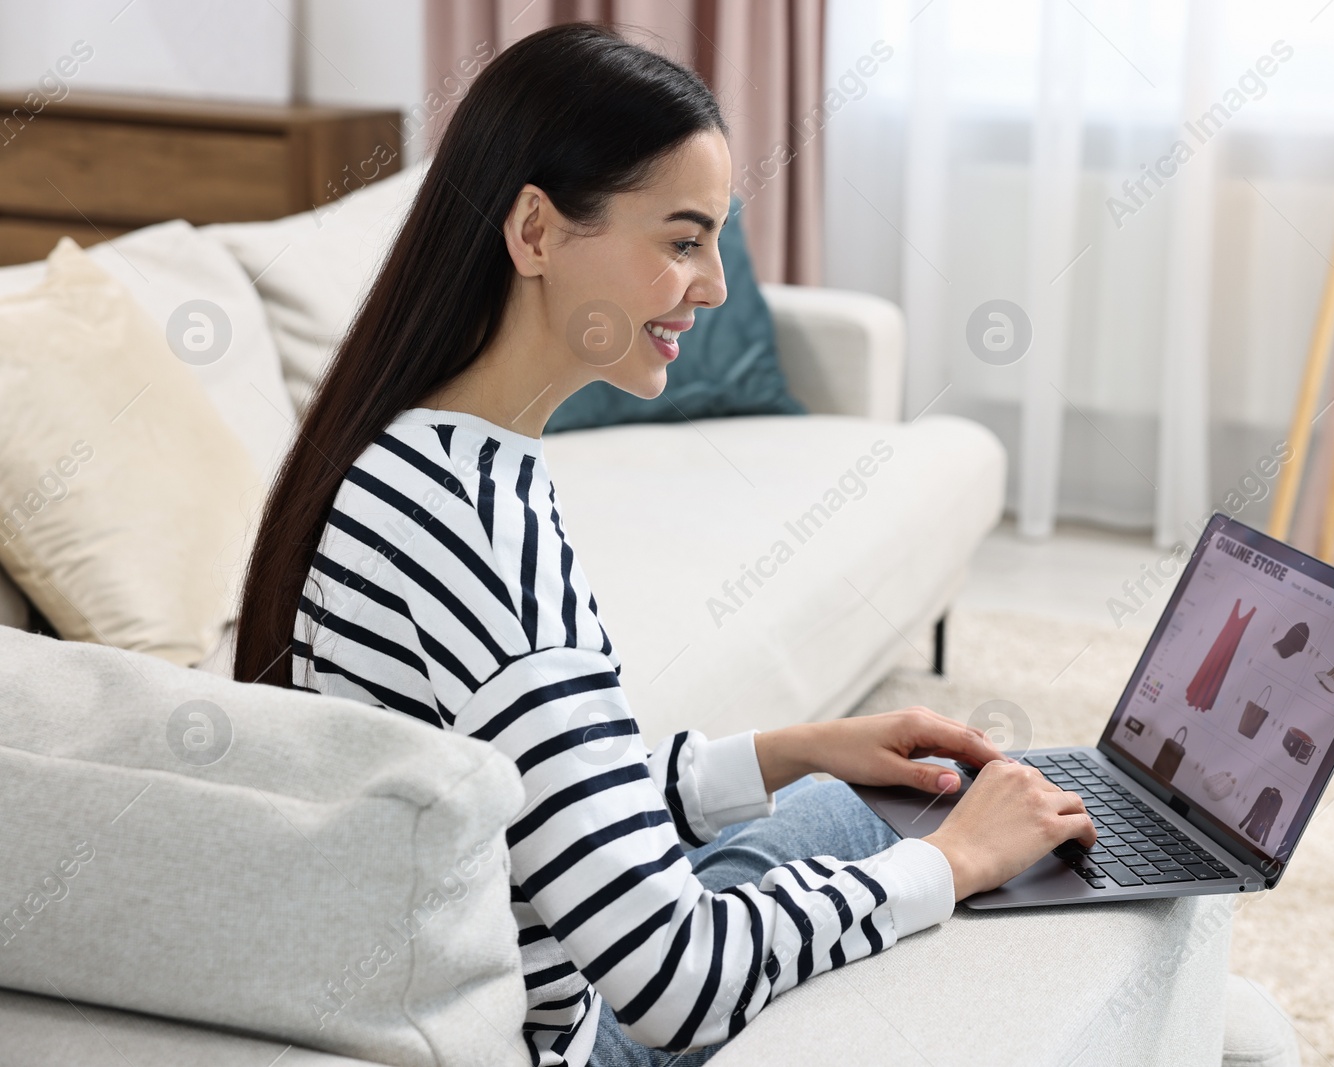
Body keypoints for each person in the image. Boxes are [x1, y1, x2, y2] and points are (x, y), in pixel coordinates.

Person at [232, 22, 1095, 1067]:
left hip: (502, 968)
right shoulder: (488, 546)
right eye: (683, 241)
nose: (716, 285)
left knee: (851, 801)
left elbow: (530, 789)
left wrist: (790, 750)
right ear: (537, 233)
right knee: (949, 857)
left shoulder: (407, 453)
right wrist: (951, 867)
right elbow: (678, 984)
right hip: (561, 1038)